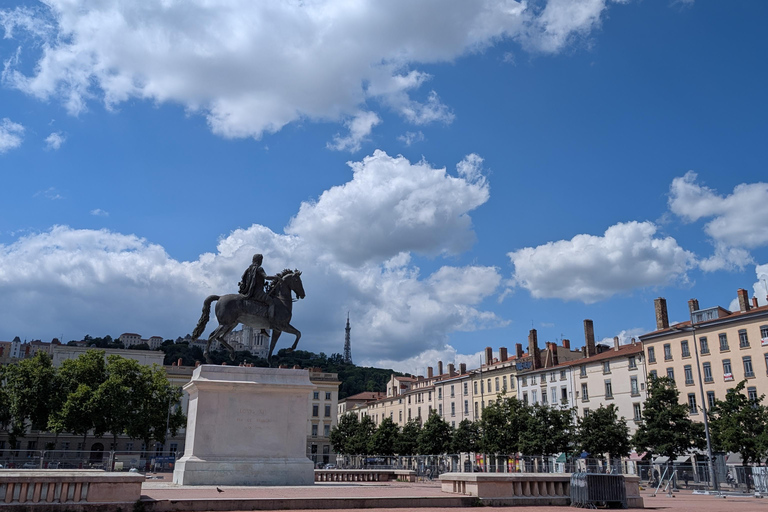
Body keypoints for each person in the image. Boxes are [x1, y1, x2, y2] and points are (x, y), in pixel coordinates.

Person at [239, 254, 277, 319]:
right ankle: (271, 320)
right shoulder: (259, 268)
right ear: (259, 260)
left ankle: (262, 328)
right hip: (257, 292)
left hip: (249, 291)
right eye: (261, 260)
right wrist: (276, 278)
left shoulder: (248, 269)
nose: (261, 261)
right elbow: (266, 277)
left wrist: (263, 284)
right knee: (271, 302)